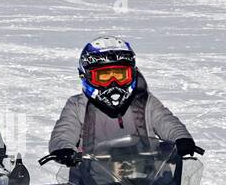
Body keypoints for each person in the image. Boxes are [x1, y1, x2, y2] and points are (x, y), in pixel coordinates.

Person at [45, 36, 196, 166]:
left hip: (148, 177)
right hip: (91, 179)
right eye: (104, 76)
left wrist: (181, 139)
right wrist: (64, 149)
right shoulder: (78, 106)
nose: (113, 83)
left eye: (120, 75)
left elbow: (167, 122)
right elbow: (63, 132)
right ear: (86, 77)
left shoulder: (144, 101)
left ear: (133, 74)